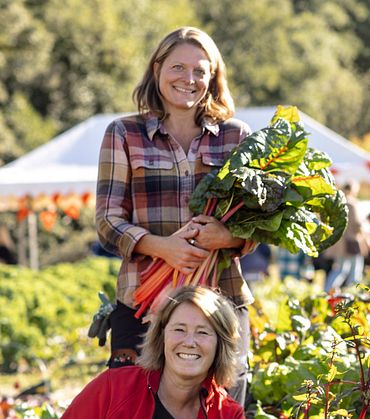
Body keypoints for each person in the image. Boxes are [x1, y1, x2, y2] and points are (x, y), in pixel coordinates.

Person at [95, 27, 254, 406]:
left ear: (213, 77)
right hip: (142, 302)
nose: (189, 79)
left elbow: (258, 223)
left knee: (222, 405)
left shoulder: (237, 137)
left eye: (201, 71)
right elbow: (107, 219)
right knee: (137, 405)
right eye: (178, 67)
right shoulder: (123, 133)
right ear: (157, 69)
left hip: (222, 299)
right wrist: (162, 248)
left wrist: (227, 237)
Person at [62, 286, 244, 418]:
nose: (189, 342)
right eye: (179, 329)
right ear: (161, 336)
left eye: (202, 332)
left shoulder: (228, 414)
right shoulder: (114, 387)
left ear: (220, 345)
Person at [323, 181, 370, 292]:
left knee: (340, 269)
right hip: (352, 242)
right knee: (354, 271)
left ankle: (328, 291)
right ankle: (353, 293)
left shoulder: (338, 203)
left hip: (340, 242)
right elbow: (358, 225)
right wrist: (367, 238)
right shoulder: (352, 204)